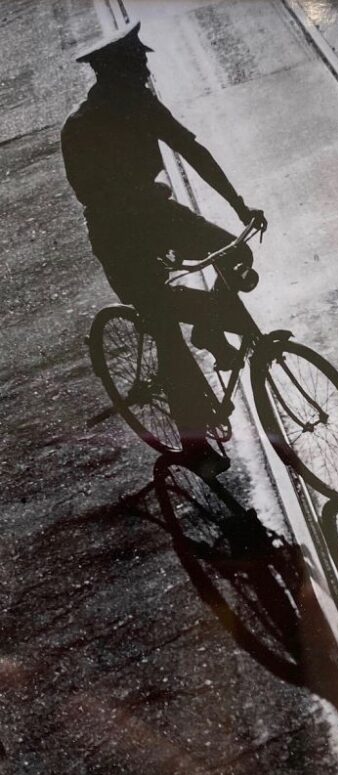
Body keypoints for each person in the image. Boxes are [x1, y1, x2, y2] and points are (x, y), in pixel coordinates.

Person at [61, 21, 267, 478]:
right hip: (121, 238)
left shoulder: (137, 106)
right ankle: (195, 448)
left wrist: (237, 206)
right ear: (116, 72)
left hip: (154, 219)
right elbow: (92, 195)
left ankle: (211, 330)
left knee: (232, 250)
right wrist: (142, 207)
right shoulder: (84, 125)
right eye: (138, 64)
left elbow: (190, 149)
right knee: (168, 336)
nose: (145, 70)